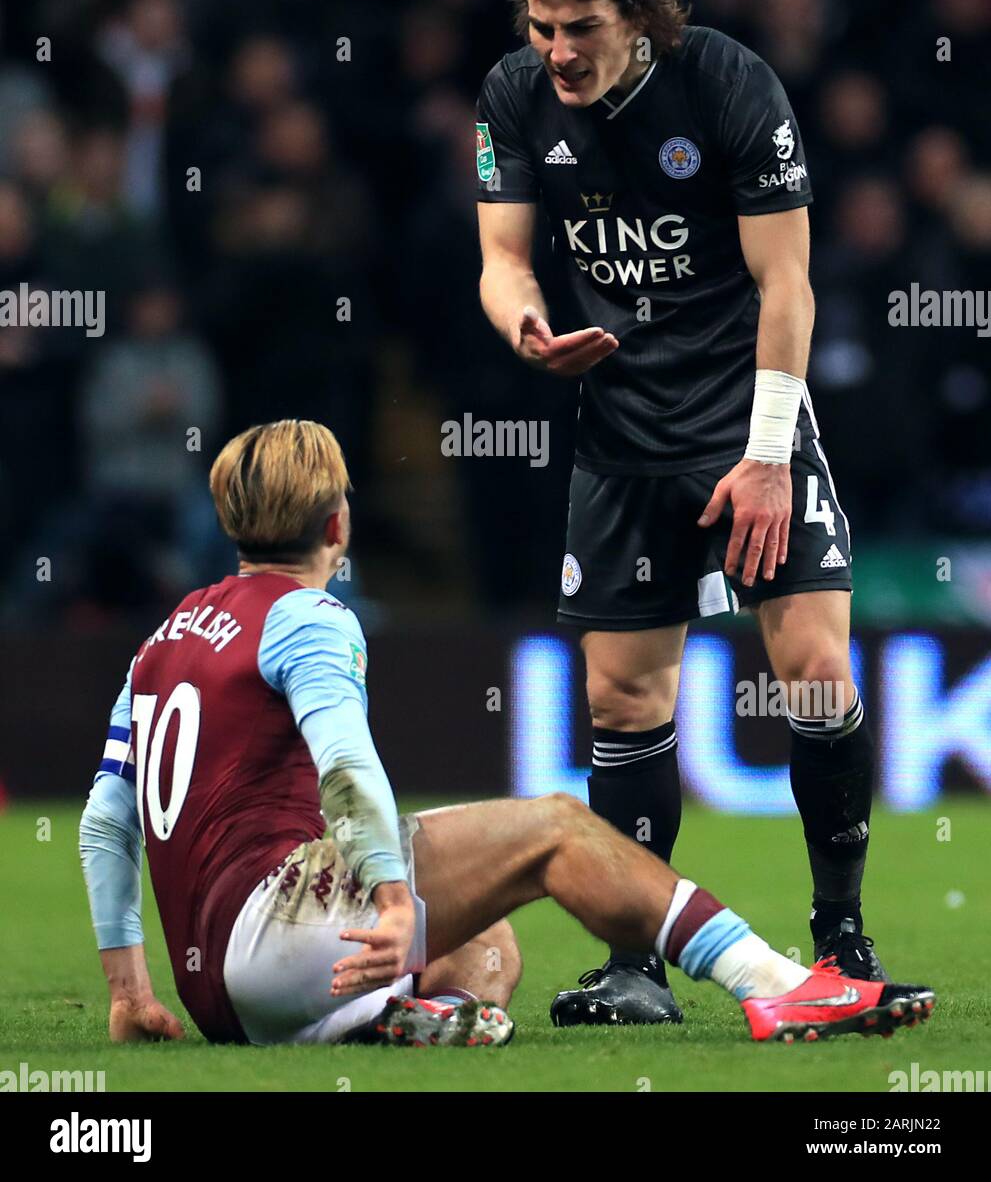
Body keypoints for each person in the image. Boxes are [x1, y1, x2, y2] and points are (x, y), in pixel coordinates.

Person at [78, 419, 934, 1048]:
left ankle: (378, 1026)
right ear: (338, 523)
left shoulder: (170, 631)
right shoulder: (309, 617)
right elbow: (344, 765)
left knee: (485, 944)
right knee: (557, 827)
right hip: (281, 930)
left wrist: (129, 992)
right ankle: (777, 982)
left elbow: (105, 821)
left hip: (219, 990)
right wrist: (386, 895)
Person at [476, 0, 880, 1027]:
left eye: (579, 27)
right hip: (619, 434)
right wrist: (527, 330)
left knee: (811, 668)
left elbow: (787, 285)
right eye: (542, 25)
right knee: (619, 695)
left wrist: (764, 458)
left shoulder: (728, 86)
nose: (556, 49)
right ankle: (634, 968)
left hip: (747, 418)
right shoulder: (511, 95)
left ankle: (843, 939)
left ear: (636, 14)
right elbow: (502, 259)